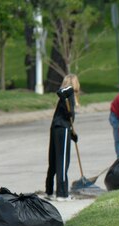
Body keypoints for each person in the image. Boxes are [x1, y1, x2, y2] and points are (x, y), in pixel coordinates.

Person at [45, 74, 80, 202]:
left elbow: (65, 116)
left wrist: (72, 134)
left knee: (54, 160)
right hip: (62, 129)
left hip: (58, 128)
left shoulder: (66, 98)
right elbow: (60, 92)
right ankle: (62, 193)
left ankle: (49, 191)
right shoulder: (69, 91)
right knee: (62, 161)